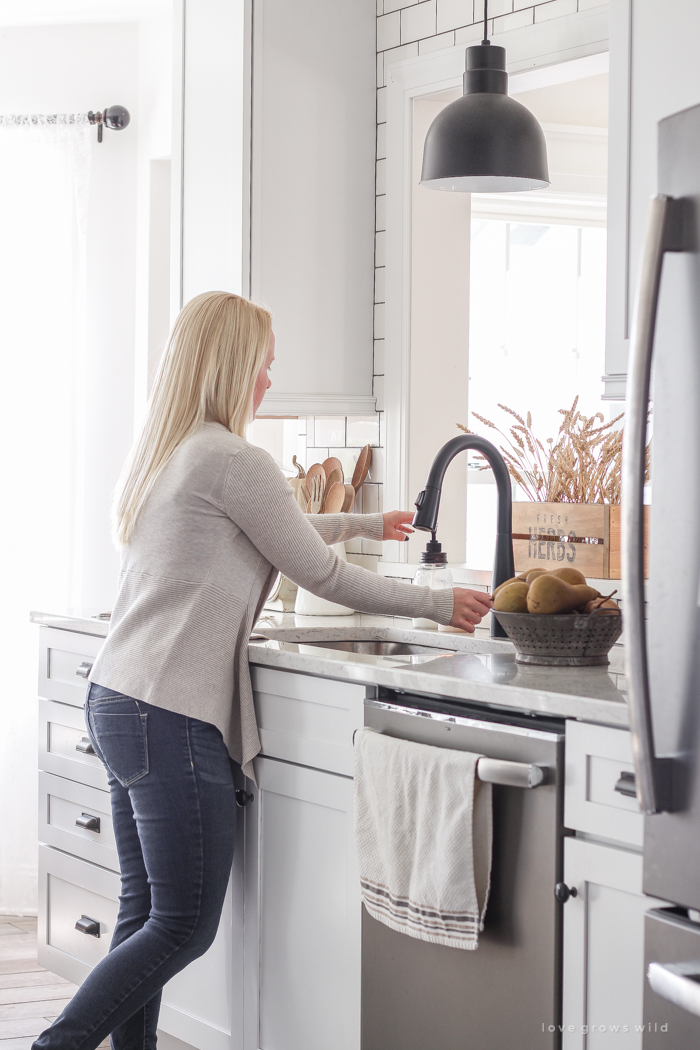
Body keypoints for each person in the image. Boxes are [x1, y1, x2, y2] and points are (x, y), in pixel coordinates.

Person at [33, 292, 492, 1050]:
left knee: (143, 909)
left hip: (119, 698)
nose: (270, 380)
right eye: (265, 364)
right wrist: (439, 604)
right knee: (182, 926)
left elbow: (279, 524)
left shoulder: (180, 451)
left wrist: (366, 523)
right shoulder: (231, 457)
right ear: (233, 364)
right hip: (168, 712)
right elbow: (322, 575)